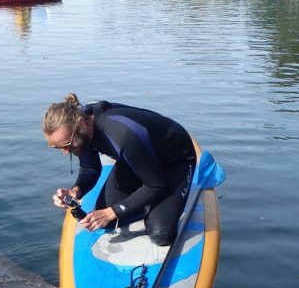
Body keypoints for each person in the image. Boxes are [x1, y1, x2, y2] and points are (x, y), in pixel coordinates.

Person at [43, 93, 196, 247]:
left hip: (175, 160)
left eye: (67, 144)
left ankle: (154, 204)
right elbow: (90, 168)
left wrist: (112, 212)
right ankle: (144, 201)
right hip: (137, 159)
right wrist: (75, 191)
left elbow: (156, 185)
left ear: (81, 123)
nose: (65, 151)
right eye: (58, 147)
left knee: (161, 235)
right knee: (103, 220)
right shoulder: (81, 129)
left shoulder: (122, 135)